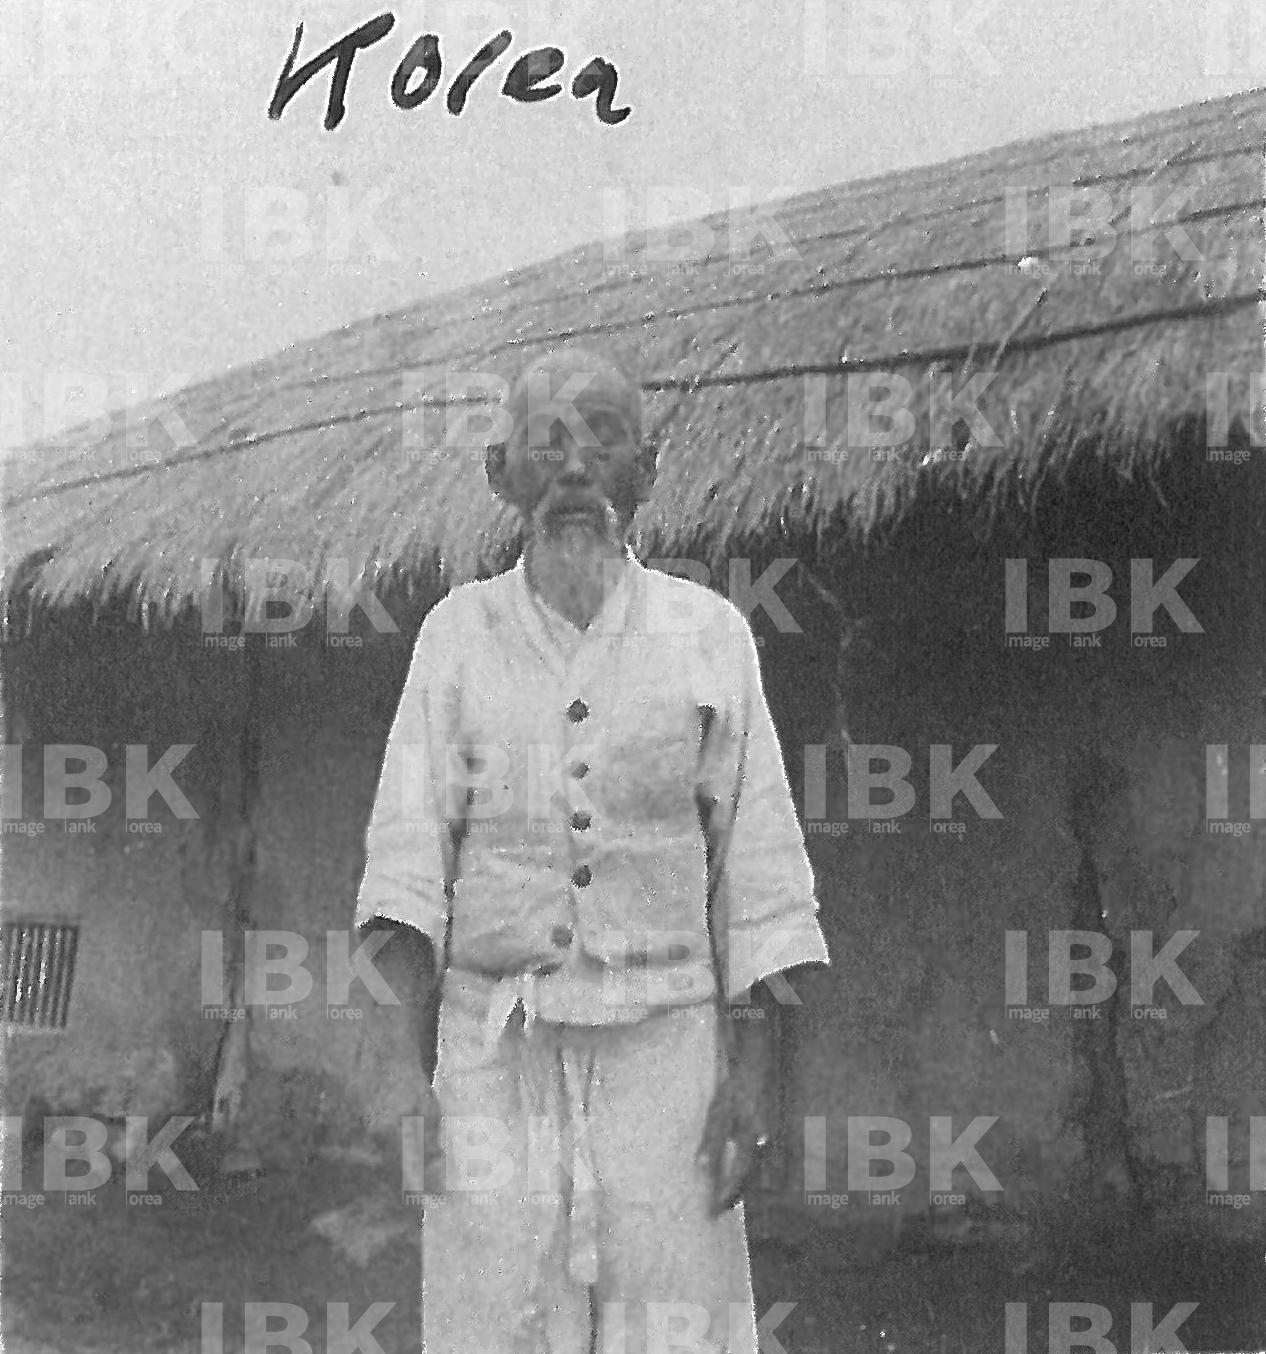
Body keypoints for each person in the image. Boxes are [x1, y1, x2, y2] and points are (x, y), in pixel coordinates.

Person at [354, 347, 829, 1354]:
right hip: (493, 1053)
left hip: (668, 1054)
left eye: (603, 442)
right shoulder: (455, 637)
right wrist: (406, 1081)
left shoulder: (709, 636)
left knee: (675, 1324)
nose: (575, 468)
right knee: (496, 1320)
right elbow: (404, 864)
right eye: (547, 443)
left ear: (646, 472)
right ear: (501, 473)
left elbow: (760, 873)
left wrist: (751, 1083)